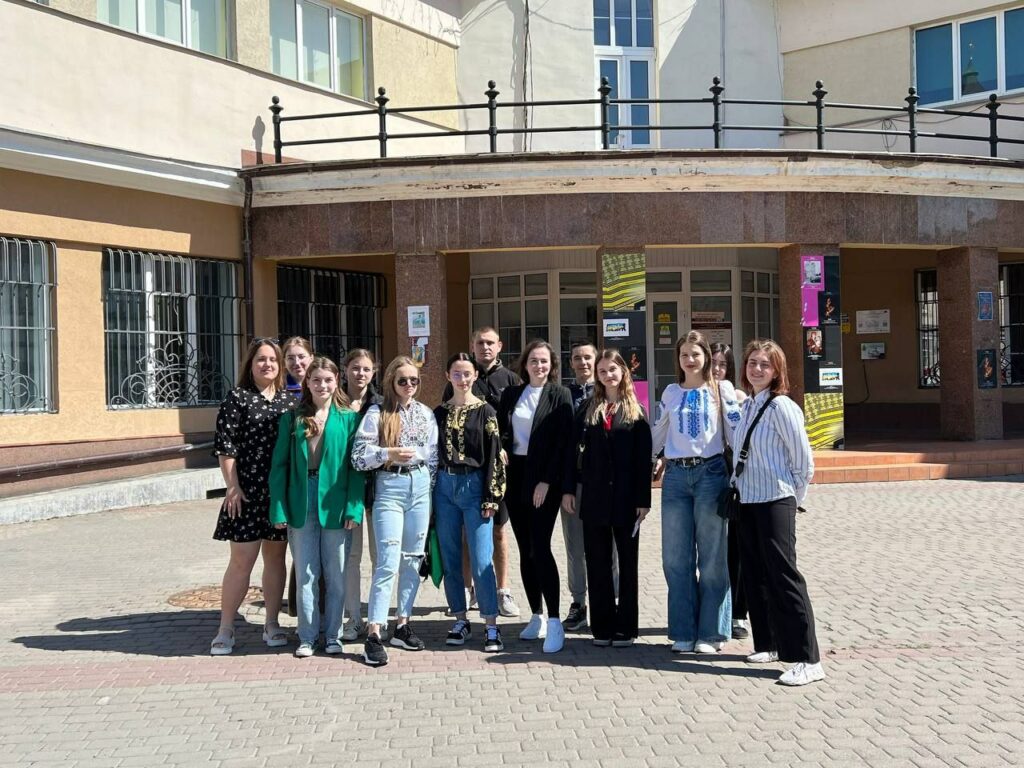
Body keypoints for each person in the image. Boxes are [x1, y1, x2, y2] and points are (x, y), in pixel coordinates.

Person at [734, 339, 823, 686]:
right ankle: (769, 643)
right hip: (747, 500)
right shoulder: (748, 405)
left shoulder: (782, 406)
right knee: (755, 574)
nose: (757, 369)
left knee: (784, 576)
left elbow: (803, 462)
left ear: (777, 371)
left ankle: (808, 659)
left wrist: (793, 499)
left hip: (776, 500)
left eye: (765, 364)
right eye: (752, 363)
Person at [268, 357, 365, 657]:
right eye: (316, 380)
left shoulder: (348, 419)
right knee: (306, 573)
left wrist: (354, 507)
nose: (322, 385)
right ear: (307, 383)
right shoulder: (292, 418)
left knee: (335, 574)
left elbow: (356, 469)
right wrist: (278, 509)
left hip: (336, 501)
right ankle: (307, 637)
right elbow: (279, 467)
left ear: (336, 382)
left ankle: (333, 635)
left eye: (328, 380)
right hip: (301, 499)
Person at [651, 330, 741, 655]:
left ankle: (712, 632)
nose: (690, 360)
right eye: (684, 355)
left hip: (711, 474)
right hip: (676, 478)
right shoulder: (671, 392)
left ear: (706, 357)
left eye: (696, 354)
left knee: (713, 557)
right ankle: (683, 631)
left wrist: (743, 471)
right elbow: (658, 432)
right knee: (676, 558)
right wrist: (648, 458)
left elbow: (736, 432)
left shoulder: (721, 389)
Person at [210, 338, 296, 655]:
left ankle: (271, 623)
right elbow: (226, 447)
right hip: (245, 494)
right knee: (241, 561)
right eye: (261, 359)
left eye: (273, 359)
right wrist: (232, 486)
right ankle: (226, 628)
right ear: (250, 363)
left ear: (280, 365)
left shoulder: (289, 401)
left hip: (277, 495)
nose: (267, 364)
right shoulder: (237, 398)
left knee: (275, 559)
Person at [352, 356, 438, 666]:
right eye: (403, 380)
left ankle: (403, 623)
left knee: (413, 558)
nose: (409, 385)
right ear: (391, 382)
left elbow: (433, 457)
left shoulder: (426, 413)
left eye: (414, 380)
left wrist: (429, 492)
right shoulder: (377, 412)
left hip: (420, 485)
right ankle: (374, 631)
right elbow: (358, 457)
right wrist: (388, 453)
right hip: (389, 485)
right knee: (387, 561)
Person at [562, 349, 651, 647]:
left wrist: (643, 501)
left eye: (612, 369)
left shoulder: (636, 410)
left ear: (623, 371)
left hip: (626, 499)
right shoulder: (588, 409)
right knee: (597, 562)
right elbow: (572, 452)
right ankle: (602, 627)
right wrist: (568, 490)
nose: (608, 375)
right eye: (602, 371)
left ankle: (625, 628)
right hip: (594, 497)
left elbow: (643, 460)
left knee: (626, 564)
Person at [497, 340, 573, 653]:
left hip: (544, 480)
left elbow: (564, 443)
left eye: (544, 361)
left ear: (551, 365)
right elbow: (502, 430)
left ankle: (555, 621)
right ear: (524, 364)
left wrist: (547, 481)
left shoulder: (560, 394)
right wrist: (501, 449)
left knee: (540, 546)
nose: (539, 366)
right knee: (526, 549)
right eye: (533, 361)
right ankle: (536, 615)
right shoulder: (511, 394)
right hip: (515, 477)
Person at [442, 326, 522, 619]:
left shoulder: (511, 380)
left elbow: (517, 420)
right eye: (480, 343)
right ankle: (468, 590)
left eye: (490, 342)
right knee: (465, 535)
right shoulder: (460, 377)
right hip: (465, 474)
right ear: (472, 346)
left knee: (498, 531)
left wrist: (505, 449)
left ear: (499, 346)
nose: (485, 347)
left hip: (496, 469)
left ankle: (502, 590)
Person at [434, 353, 507, 653]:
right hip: (443, 486)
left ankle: (491, 624)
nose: (462, 379)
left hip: (474, 486)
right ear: (448, 376)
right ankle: (460, 619)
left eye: (467, 373)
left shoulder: (486, 411)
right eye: (456, 373)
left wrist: (492, 496)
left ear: (475, 375)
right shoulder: (438, 413)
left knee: (481, 558)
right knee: (450, 557)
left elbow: (495, 454)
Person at [562, 340, 615, 632]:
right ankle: (579, 603)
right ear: (570, 363)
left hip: (606, 486)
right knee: (575, 548)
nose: (582, 363)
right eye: (577, 358)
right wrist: (566, 487)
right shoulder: (563, 395)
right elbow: (564, 446)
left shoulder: (610, 394)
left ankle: (612, 601)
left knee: (611, 548)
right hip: (576, 483)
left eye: (587, 358)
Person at [340, 349, 382, 642]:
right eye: (355, 368)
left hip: (378, 487)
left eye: (366, 369)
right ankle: (353, 618)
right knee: (351, 556)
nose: (360, 374)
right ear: (345, 370)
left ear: (373, 372)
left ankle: (377, 618)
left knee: (380, 556)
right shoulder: (335, 402)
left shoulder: (381, 403)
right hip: (346, 489)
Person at [711, 342, 750, 642]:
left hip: (734, 475)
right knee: (712, 548)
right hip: (707, 475)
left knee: (737, 547)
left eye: (723, 364)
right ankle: (712, 611)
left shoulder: (738, 397)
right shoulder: (694, 394)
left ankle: (738, 613)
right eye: (712, 362)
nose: (717, 369)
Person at [282, 336, 315, 619]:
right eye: (291, 357)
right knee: (301, 553)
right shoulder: (283, 395)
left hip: (322, 483)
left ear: (311, 358)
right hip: (291, 479)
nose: (297, 362)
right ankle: (299, 607)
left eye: (301, 356)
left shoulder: (324, 386)